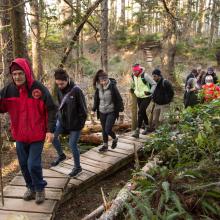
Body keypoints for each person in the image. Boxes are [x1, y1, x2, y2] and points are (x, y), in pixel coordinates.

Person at [0, 58, 57, 204]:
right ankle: (30, 187)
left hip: (37, 134)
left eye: (20, 73)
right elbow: (2, 108)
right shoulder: (8, 90)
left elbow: (51, 108)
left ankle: (39, 188)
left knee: (33, 164)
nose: (17, 77)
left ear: (26, 72)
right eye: (14, 74)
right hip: (19, 135)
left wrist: (50, 130)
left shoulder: (38, 88)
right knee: (24, 164)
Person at [51, 68, 87, 177]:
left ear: (67, 79)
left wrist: (79, 124)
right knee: (52, 137)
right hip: (62, 121)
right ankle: (61, 155)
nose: (60, 86)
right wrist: (58, 118)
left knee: (72, 144)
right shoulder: (58, 89)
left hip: (75, 124)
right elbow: (59, 106)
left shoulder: (76, 90)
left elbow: (84, 110)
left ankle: (78, 167)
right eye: (58, 84)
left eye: (62, 84)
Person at [92, 69, 124, 152]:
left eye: (105, 80)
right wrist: (93, 109)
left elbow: (119, 99)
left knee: (108, 129)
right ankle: (105, 145)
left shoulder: (112, 86)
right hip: (102, 111)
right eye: (101, 81)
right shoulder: (98, 87)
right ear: (99, 80)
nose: (103, 82)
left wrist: (121, 110)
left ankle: (115, 138)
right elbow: (96, 99)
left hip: (111, 111)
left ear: (107, 79)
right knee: (103, 129)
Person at [130, 63, 156, 138]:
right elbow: (135, 84)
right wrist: (132, 88)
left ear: (139, 70)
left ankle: (137, 131)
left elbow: (154, 84)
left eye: (136, 72)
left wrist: (150, 91)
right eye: (133, 71)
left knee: (140, 111)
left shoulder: (145, 76)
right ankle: (147, 127)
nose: (134, 73)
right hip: (139, 96)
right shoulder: (133, 76)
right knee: (142, 112)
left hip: (147, 96)